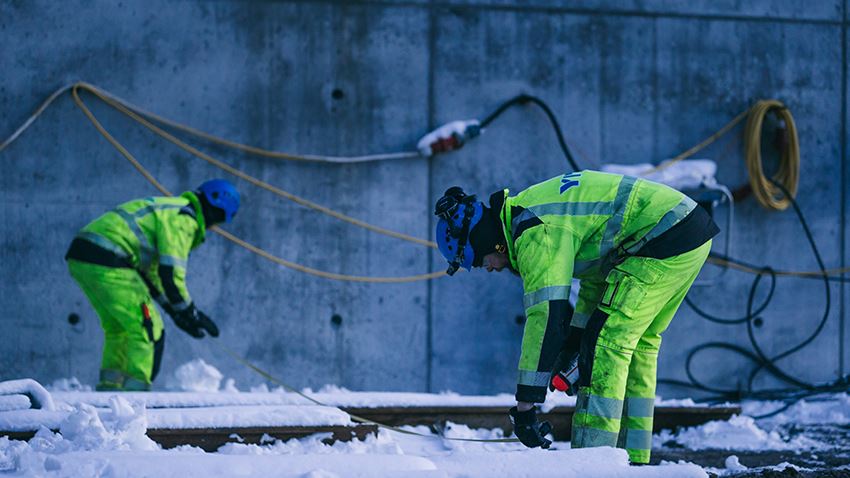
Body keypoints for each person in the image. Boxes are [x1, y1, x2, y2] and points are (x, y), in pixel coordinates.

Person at [434, 170, 718, 463]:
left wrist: (525, 408)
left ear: (486, 241)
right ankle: (635, 462)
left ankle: (592, 465)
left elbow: (546, 318)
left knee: (606, 346)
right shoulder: (531, 209)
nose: (489, 268)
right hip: (683, 229)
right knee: (638, 348)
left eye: (480, 262)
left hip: (660, 238)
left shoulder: (534, 232)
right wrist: (573, 346)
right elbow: (598, 279)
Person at [65, 179, 240, 391]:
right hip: (110, 258)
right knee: (148, 330)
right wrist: (191, 313)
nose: (214, 227)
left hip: (84, 255)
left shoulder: (169, 209)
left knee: (119, 329)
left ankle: (110, 393)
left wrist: (178, 314)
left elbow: (153, 278)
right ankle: (134, 399)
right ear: (219, 210)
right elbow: (170, 275)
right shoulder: (184, 218)